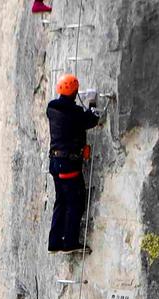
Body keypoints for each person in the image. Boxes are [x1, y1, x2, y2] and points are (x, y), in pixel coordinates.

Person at [47, 74, 100, 253]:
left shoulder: (51, 109)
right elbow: (90, 120)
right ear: (75, 92)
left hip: (55, 163)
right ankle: (70, 243)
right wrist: (93, 108)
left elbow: (76, 119)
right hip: (68, 165)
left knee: (61, 200)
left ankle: (54, 243)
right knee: (75, 202)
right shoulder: (75, 113)